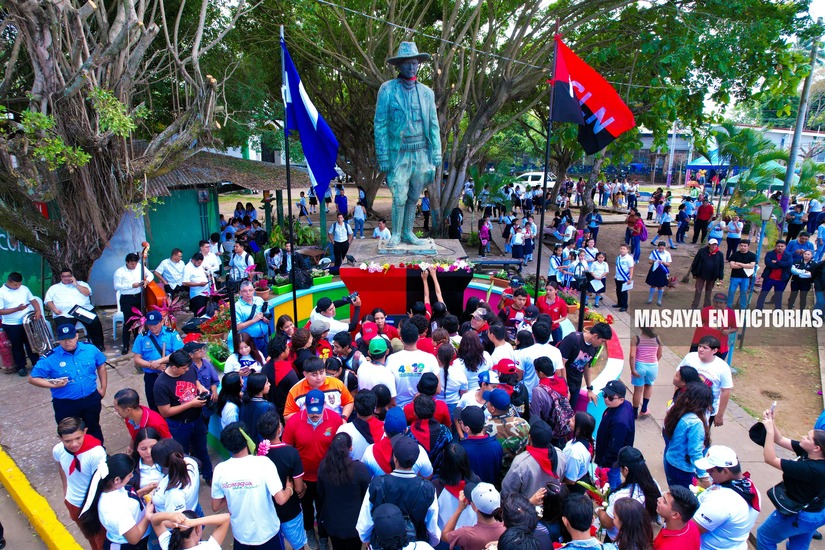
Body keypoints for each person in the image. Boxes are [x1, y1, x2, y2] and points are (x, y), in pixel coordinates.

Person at [374, 41, 441, 247]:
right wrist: (383, 155)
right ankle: (395, 234)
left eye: (414, 63)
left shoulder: (427, 93)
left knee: (414, 196)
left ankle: (408, 233)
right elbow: (380, 124)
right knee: (399, 195)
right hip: (399, 152)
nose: (411, 67)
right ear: (399, 65)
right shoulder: (387, 89)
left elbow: (434, 125)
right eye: (407, 63)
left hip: (421, 152)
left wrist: (437, 152)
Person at [211, 422, 294, 550]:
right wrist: (289, 488)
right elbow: (281, 499)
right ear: (247, 439)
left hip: (241, 535)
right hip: (268, 533)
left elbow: (216, 506)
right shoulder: (263, 463)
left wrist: (235, 491)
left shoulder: (220, 470)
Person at [283, 389, 345, 549]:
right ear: (305, 406)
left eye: (318, 410)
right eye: (311, 411)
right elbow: (287, 451)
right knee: (306, 507)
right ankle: (309, 530)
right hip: (303, 478)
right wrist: (295, 479)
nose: (315, 414)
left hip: (327, 476)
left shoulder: (335, 420)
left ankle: (323, 536)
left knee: (325, 507)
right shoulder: (294, 422)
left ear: (324, 405)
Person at [757, 408, 825, 549]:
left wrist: (769, 431)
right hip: (816, 513)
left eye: (807, 437)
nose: (803, 437)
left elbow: (770, 459)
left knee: (765, 536)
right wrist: (772, 421)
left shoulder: (811, 469)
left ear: (817, 448)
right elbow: (780, 439)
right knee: (798, 546)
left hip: (799, 515)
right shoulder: (812, 453)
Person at [356, 436, 441, 546]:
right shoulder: (428, 489)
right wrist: (428, 544)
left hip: (383, 543)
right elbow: (432, 528)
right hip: (415, 543)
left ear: (394, 458)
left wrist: (368, 540)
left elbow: (365, 523)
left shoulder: (377, 484)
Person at [29, 324, 107, 442]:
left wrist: (103, 388)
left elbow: (101, 365)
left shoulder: (90, 349)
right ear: (58, 340)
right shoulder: (50, 358)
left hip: (90, 399)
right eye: (63, 339)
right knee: (70, 434)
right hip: (66, 404)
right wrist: (53, 385)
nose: (67, 342)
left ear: (77, 336)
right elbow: (33, 378)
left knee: (93, 427)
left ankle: (98, 450)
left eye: (70, 338)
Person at [154, 349, 213, 483]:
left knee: (202, 449)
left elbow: (194, 380)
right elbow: (165, 412)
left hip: (197, 419)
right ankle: (187, 481)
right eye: (184, 368)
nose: (187, 370)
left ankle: (209, 476)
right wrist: (190, 404)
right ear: (174, 367)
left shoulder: (189, 368)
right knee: (181, 455)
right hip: (179, 425)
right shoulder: (161, 384)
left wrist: (200, 387)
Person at [256, 412, 308, 550]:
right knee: (298, 545)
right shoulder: (291, 453)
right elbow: (298, 488)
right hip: (290, 512)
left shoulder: (259, 452)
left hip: (267, 513)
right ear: (279, 429)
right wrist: (303, 487)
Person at [53, 417, 107, 550]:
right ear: (60, 438)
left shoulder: (96, 453)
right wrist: (65, 489)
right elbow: (61, 467)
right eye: (68, 441)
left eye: (78, 438)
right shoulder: (58, 450)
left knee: (102, 541)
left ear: (85, 432)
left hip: (94, 505)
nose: (74, 444)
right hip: (73, 502)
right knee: (90, 537)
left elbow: (101, 482)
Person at [692, 445, 760, 550]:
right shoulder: (750, 487)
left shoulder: (720, 502)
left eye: (711, 470)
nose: (707, 472)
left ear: (725, 472)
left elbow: (690, 531)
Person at [79, 453, 154, 548]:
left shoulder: (112, 488)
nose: (132, 476)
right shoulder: (115, 509)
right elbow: (134, 539)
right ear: (117, 480)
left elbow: (127, 500)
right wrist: (148, 514)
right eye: (129, 475)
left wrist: (142, 491)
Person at [317, 433, 372, 550]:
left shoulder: (323, 466)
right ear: (350, 448)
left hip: (333, 522)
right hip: (354, 524)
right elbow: (366, 496)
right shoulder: (359, 469)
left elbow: (321, 493)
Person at [595, 447, 660, 543]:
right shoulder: (654, 485)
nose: (620, 470)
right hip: (640, 539)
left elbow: (608, 523)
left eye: (620, 468)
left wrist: (599, 511)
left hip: (618, 541)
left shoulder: (621, 496)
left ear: (626, 470)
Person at [662, 382, 713, 489]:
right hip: (683, 469)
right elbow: (695, 452)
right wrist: (704, 476)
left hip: (671, 461)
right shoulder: (695, 423)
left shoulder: (677, 411)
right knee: (683, 498)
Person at [132, 310, 184, 412]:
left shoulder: (171, 334)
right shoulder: (142, 337)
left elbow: (178, 353)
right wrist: (152, 365)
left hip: (169, 374)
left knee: (173, 400)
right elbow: (137, 359)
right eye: (150, 325)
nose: (152, 327)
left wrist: (159, 361)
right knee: (153, 403)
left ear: (162, 322)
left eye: (155, 324)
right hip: (151, 376)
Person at [362, 406, 434, 478]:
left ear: (383, 429)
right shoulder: (418, 451)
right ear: (406, 430)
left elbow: (365, 477)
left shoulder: (369, 452)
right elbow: (428, 476)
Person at [502, 419, 566, 499]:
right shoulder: (560, 455)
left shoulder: (521, 462)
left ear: (529, 437)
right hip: (552, 502)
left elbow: (507, 492)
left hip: (528, 505)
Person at [45, 268, 105, 351]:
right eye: (64, 276)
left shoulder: (81, 284)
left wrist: (76, 285)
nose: (66, 278)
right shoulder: (54, 288)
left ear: (72, 276)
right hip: (64, 313)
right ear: (61, 277)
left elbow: (87, 293)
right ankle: (69, 349)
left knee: (94, 323)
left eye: (68, 276)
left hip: (82, 310)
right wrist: (54, 310)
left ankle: (98, 346)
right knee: (65, 329)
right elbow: (48, 301)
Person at [557, 323, 613, 410]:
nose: (602, 344)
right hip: (564, 382)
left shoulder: (594, 347)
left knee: (570, 410)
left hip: (576, 384)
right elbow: (561, 363)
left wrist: (589, 389)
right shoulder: (573, 339)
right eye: (602, 341)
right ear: (595, 336)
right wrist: (565, 387)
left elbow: (587, 367)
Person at [386, 321, 440, 407]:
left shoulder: (391, 359)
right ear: (418, 338)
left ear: (401, 339)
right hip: (423, 409)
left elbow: (388, 389)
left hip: (399, 409)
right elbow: (437, 389)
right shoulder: (430, 358)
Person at [595, 381, 636, 489]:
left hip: (611, 463)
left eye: (611, 397)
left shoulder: (619, 422)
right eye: (605, 395)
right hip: (612, 459)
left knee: (609, 486)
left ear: (621, 399)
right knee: (615, 480)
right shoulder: (625, 405)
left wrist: (603, 464)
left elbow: (614, 449)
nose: (606, 399)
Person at [284, 356, 354, 419]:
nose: (319, 378)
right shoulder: (295, 391)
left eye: (321, 372)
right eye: (314, 375)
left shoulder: (337, 384)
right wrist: (309, 414)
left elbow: (349, 402)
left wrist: (343, 418)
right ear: (305, 374)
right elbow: (287, 416)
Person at [442, 483, 505, 550]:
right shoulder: (507, 528)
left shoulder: (465, 534)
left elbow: (445, 535)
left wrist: (459, 509)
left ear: (475, 507)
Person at [113, 253, 154, 354]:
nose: (134, 266)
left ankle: (137, 341)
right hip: (127, 298)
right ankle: (125, 345)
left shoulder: (140, 267)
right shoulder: (119, 272)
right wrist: (131, 285)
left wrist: (147, 281)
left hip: (139, 297)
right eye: (132, 264)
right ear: (127, 262)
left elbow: (151, 275)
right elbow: (116, 286)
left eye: (135, 263)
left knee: (139, 320)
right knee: (128, 322)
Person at [150, 438, 201, 517]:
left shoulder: (173, 493)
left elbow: (177, 521)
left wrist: (150, 516)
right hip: (196, 509)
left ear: (159, 463)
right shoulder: (191, 462)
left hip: (173, 521)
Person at [483, 388, 530, 471]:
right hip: (520, 469)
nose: (486, 404)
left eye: (488, 402)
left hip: (497, 472)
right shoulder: (523, 424)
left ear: (493, 409)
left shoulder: (485, 427)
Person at [457, 405, 503, 484]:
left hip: (471, 489)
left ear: (467, 428)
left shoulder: (461, 450)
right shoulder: (496, 445)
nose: (460, 423)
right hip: (492, 487)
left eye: (461, 422)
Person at [336, 390, 385, 461]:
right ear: (374, 408)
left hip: (352, 467)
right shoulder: (385, 429)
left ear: (354, 407)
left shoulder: (344, 430)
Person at [149, 510, 231, 550]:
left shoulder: (168, 545)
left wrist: (170, 516)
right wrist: (191, 523)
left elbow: (154, 520)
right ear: (198, 529)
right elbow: (226, 518)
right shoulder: (209, 547)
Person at [629, 326, 662, 419]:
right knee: (649, 386)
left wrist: (633, 369)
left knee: (638, 390)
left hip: (640, 366)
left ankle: (634, 413)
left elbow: (632, 356)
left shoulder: (636, 339)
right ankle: (644, 409)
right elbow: (660, 354)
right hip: (653, 366)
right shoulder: (657, 338)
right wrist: (654, 363)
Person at [562, 411, 596, 492]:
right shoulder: (590, 439)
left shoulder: (575, 452)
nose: (569, 420)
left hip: (571, 489)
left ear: (579, 429)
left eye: (573, 420)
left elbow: (570, 480)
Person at [756, 239, 793, 310]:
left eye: (782, 246)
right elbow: (768, 263)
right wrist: (781, 264)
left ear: (785, 247)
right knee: (763, 293)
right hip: (769, 278)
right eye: (778, 246)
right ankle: (759, 307)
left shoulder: (788, 255)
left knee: (779, 295)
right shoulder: (770, 253)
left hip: (781, 279)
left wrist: (776, 262)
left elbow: (789, 264)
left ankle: (778, 309)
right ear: (776, 246)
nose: (780, 247)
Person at [234, 280, 270, 353]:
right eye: (245, 291)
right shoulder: (237, 306)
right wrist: (254, 320)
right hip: (250, 341)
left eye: (250, 290)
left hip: (265, 337)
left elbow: (267, 314)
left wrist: (267, 319)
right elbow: (237, 327)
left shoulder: (259, 300)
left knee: (267, 358)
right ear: (240, 292)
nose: (248, 293)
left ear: (254, 290)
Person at [690, 239, 725, 309]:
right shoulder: (702, 251)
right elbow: (695, 262)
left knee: (708, 291)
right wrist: (694, 273)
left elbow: (721, 267)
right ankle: (694, 305)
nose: (714, 246)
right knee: (698, 290)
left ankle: (707, 306)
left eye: (715, 245)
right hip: (701, 274)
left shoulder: (720, 254)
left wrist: (720, 277)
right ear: (709, 245)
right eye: (712, 245)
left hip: (712, 276)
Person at [727, 240, 757, 309]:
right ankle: (728, 307)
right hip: (734, 276)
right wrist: (746, 265)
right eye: (741, 245)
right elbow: (732, 266)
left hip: (745, 277)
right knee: (731, 292)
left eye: (745, 246)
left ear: (748, 246)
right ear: (739, 246)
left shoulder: (752, 255)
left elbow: (751, 266)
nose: (743, 247)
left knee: (743, 293)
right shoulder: (734, 254)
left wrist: (739, 263)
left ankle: (743, 307)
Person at [645, 241, 672, 306]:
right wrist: (654, 261)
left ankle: (659, 300)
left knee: (661, 286)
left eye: (662, 248)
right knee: (653, 284)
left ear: (665, 248)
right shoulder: (654, 252)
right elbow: (649, 261)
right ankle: (650, 299)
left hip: (662, 270)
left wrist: (663, 262)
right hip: (654, 269)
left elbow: (668, 264)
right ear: (658, 247)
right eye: (660, 248)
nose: (661, 250)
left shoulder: (667, 254)